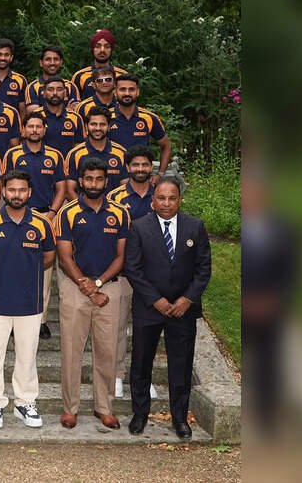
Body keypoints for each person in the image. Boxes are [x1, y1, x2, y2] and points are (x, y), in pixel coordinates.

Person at [124, 177, 211, 440]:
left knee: (181, 365)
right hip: (149, 308)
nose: (166, 203)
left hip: (183, 310)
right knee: (141, 362)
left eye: (172, 198)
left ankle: (180, 418)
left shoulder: (195, 227)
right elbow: (133, 268)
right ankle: (140, 414)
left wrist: (187, 299)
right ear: (153, 200)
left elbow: (203, 268)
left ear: (179, 200)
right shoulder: (139, 227)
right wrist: (156, 300)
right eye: (161, 198)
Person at [55, 157, 131, 430]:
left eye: (99, 179)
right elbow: (64, 256)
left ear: (106, 181)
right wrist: (86, 285)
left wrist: (98, 283)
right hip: (75, 287)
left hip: (109, 287)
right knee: (71, 351)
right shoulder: (67, 212)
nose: (94, 184)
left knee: (107, 351)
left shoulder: (120, 213)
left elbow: (122, 256)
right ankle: (70, 408)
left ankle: (104, 407)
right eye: (89, 179)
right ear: (81, 181)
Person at [0, 170, 56, 430]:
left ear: (29, 192)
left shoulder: (42, 223)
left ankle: (25, 402)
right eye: (12, 190)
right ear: (3, 192)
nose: (17, 195)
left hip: (29, 302)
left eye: (22, 190)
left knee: (27, 355)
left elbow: (48, 257)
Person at [2, 111, 67, 339]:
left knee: (43, 271)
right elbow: (6, 187)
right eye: (30, 126)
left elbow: (61, 188)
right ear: (23, 130)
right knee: (13, 266)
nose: (35, 130)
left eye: (39, 126)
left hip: (44, 217)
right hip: (16, 217)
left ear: (45, 129)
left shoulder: (55, 156)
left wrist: (51, 214)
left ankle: (41, 319)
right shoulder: (12, 154)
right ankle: (11, 315)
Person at [107, 145, 159, 399]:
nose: (140, 169)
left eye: (145, 164)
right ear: (127, 167)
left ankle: (144, 378)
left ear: (151, 168)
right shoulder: (115, 197)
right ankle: (116, 375)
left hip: (154, 275)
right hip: (124, 273)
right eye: (135, 164)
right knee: (117, 328)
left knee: (147, 330)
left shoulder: (160, 195)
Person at [110, 75, 172, 179]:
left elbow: (166, 145)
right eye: (122, 89)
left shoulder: (149, 118)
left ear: (137, 92)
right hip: (112, 177)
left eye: (131, 89)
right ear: (115, 92)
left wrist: (160, 174)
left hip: (140, 177)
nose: (127, 93)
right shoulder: (106, 118)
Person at [65, 106, 128, 199]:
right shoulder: (75, 154)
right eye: (93, 124)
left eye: (102, 124)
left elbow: (124, 189)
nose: (98, 128)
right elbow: (69, 190)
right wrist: (83, 207)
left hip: (114, 207)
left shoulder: (121, 153)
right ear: (86, 126)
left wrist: (113, 207)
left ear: (109, 126)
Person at [71, 29, 128, 103]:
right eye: (98, 46)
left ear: (111, 49)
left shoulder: (123, 76)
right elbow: (74, 105)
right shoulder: (79, 76)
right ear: (93, 49)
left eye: (107, 46)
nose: (102, 50)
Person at [37, 76, 86, 157]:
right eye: (50, 89)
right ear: (44, 93)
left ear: (65, 93)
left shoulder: (75, 118)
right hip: (43, 163)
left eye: (59, 89)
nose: (55, 93)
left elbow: (79, 148)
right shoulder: (36, 116)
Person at [0, 38, 29, 113]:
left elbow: (23, 111)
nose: (3, 58)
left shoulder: (20, 80)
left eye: (6, 55)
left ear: (11, 58)